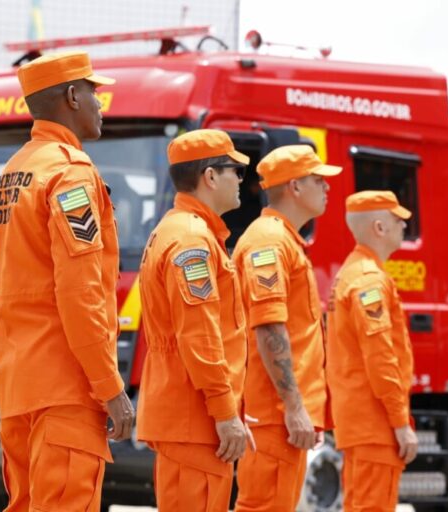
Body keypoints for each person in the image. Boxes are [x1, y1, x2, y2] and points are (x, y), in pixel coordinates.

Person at [0, 51, 134, 512]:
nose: (99, 104)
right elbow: (79, 293)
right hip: (66, 390)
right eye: (94, 92)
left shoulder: (14, 172)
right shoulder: (70, 173)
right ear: (72, 96)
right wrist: (110, 388)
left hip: (19, 388)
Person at [136, 129, 253, 512]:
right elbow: (200, 337)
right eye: (236, 170)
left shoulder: (184, 232)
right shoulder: (191, 239)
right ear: (210, 176)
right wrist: (224, 412)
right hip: (195, 419)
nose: (242, 179)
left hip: (190, 417)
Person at [233, 145, 341, 511]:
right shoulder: (269, 241)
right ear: (294, 187)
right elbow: (269, 328)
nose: (326, 187)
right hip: (273, 416)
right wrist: (293, 407)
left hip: (278, 416)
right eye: (318, 180)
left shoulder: (282, 240)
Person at [327, 190, 419, 511]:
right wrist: (400, 423)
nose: (404, 226)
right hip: (374, 424)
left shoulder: (353, 273)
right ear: (379, 227)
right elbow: (380, 358)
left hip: (360, 423)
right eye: (397, 220)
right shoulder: (369, 280)